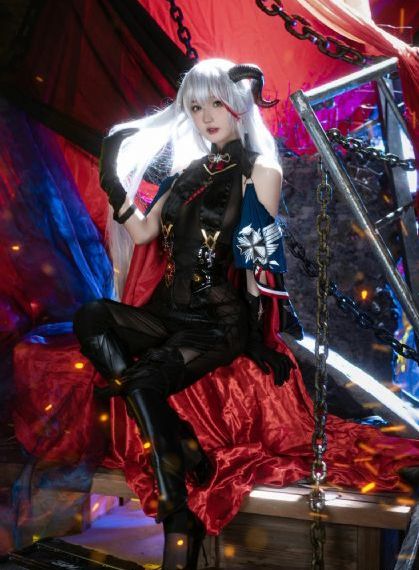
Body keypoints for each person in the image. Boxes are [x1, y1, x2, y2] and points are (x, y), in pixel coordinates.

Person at [73, 58, 299, 570]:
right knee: (90, 317)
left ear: (238, 104)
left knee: (146, 380)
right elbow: (144, 233)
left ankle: (176, 508)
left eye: (216, 103)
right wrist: (111, 177)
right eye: (196, 108)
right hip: (168, 314)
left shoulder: (261, 171)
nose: (206, 116)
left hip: (217, 322)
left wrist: (260, 335)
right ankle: (183, 444)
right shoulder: (184, 173)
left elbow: (256, 258)